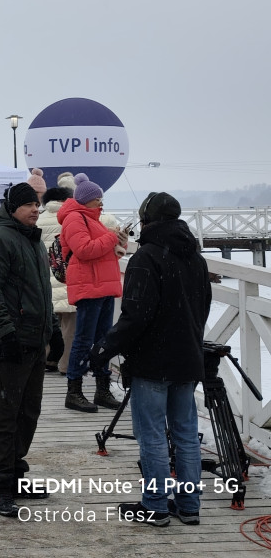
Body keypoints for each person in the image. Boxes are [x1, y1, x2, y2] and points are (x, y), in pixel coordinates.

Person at [90, 192, 210, 526]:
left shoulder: (147, 257)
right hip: (187, 358)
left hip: (153, 362)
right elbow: (203, 310)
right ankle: (189, 506)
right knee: (186, 435)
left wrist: (103, 349)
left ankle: (156, 505)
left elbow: (135, 316)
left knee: (153, 435)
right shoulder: (196, 259)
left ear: (147, 220)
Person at [0, 182, 53, 517]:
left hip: (35, 339)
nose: (36, 209)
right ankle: (0, 484)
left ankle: (16, 473)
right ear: (12, 207)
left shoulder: (31, 238)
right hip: (9, 340)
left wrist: (50, 331)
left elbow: (40, 291)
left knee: (28, 410)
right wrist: (5, 332)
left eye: (36, 204)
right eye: (28, 205)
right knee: (7, 411)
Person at [58, 173, 128, 413]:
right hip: (89, 287)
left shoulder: (92, 218)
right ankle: (74, 391)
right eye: (97, 198)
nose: (101, 201)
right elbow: (84, 250)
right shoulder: (74, 219)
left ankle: (102, 389)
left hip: (103, 285)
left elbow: (104, 250)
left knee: (103, 341)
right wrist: (111, 237)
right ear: (86, 199)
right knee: (84, 340)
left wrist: (120, 241)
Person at [38, 183, 74, 373]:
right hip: (68, 277)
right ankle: (65, 364)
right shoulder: (72, 219)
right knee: (69, 325)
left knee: (48, 323)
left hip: (45, 278)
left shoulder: (38, 219)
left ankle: (46, 359)